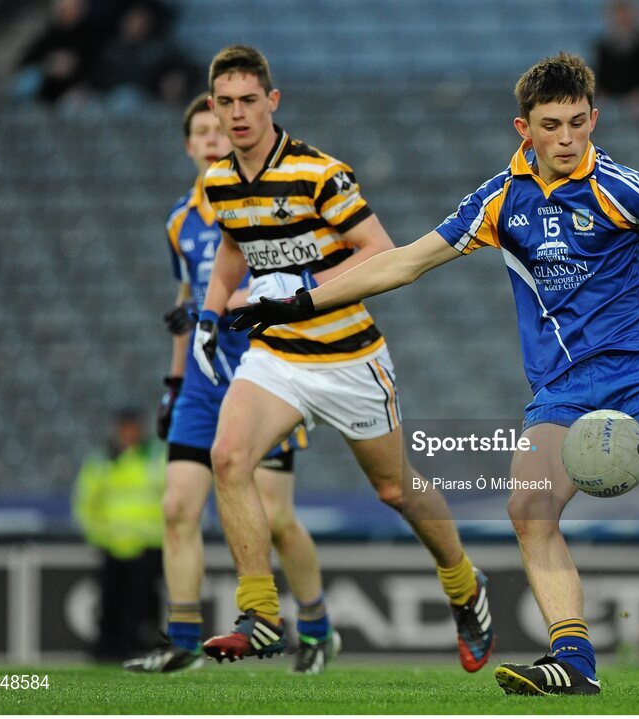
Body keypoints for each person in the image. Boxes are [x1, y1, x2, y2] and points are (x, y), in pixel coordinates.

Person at [232, 52, 639, 696]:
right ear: (522, 128)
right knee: (529, 507)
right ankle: (574, 659)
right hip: (561, 388)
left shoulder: (620, 186)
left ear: (595, 119)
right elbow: (403, 264)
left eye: (578, 123)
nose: (566, 139)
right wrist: (299, 302)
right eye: (551, 125)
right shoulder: (500, 199)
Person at [192, 46, 494, 672]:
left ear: (272, 102)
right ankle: (261, 613)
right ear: (214, 108)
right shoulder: (219, 181)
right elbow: (231, 249)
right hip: (275, 356)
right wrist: (210, 309)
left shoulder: (318, 173)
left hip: (348, 357)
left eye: (250, 100)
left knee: (394, 489)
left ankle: (464, 586)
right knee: (227, 457)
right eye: (227, 102)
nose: (239, 113)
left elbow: (379, 251)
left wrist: (301, 290)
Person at [122, 93, 336, 675]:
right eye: (202, 132)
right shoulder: (180, 221)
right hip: (200, 381)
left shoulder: (266, 207)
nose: (214, 139)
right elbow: (187, 301)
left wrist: (238, 301)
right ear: (190, 145)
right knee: (177, 509)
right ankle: (184, 640)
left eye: (221, 130)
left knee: (278, 519)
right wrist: (172, 382)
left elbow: (304, 277)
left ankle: (315, 627)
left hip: (266, 373)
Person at [73, 408, 164, 661]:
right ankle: (109, 647)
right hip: (111, 544)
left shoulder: (156, 457)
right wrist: (97, 535)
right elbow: (85, 501)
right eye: (125, 427)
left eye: (133, 427)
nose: (129, 433)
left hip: (149, 543)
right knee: (110, 600)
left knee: (146, 601)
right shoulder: (101, 460)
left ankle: (143, 645)